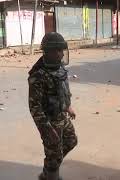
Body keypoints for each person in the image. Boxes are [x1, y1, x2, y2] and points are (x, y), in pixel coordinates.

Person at [28, 32, 78, 180]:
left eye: (63, 50)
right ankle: (50, 174)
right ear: (49, 52)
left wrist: (68, 106)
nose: (62, 55)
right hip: (49, 122)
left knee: (71, 141)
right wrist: (47, 129)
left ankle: (49, 167)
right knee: (54, 153)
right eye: (59, 51)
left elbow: (63, 88)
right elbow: (34, 107)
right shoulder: (38, 76)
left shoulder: (59, 67)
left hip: (62, 115)